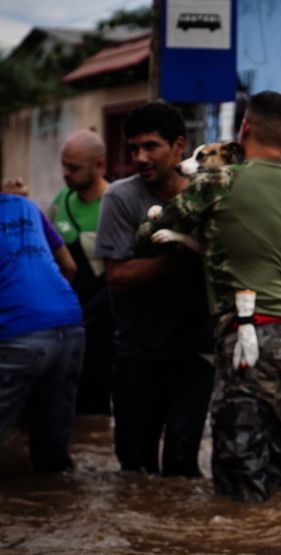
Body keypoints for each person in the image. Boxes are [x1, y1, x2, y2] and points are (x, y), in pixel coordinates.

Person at [137, 91, 281, 502]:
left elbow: (149, 235)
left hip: (248, 337)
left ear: (243, 129)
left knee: (238, 471)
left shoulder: (218, 181)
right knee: (275, 462)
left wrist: (203, 239)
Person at [95, 102, 214, 477]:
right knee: (135, 468)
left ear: (179, 145)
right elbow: (117, 274)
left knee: (182, 467)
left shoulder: (207, 194)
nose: (140, 157)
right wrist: (178, 258)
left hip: (194, 353)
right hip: (137, 353)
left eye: (151, 146)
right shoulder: (121, 198)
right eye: (134, 149)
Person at [0, 192, 85, 472]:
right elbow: (69, 267)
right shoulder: (26, 205)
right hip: (70, 323)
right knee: (53, 455)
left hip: (21, 333)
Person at [49, 129, 114, 415]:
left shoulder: (115, 204)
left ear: (98, 165)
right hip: (65, 323)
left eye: (73, 167)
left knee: (95, 404)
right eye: (63, 165)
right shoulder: (61, 201)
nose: (65, 173)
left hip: (102, 326)